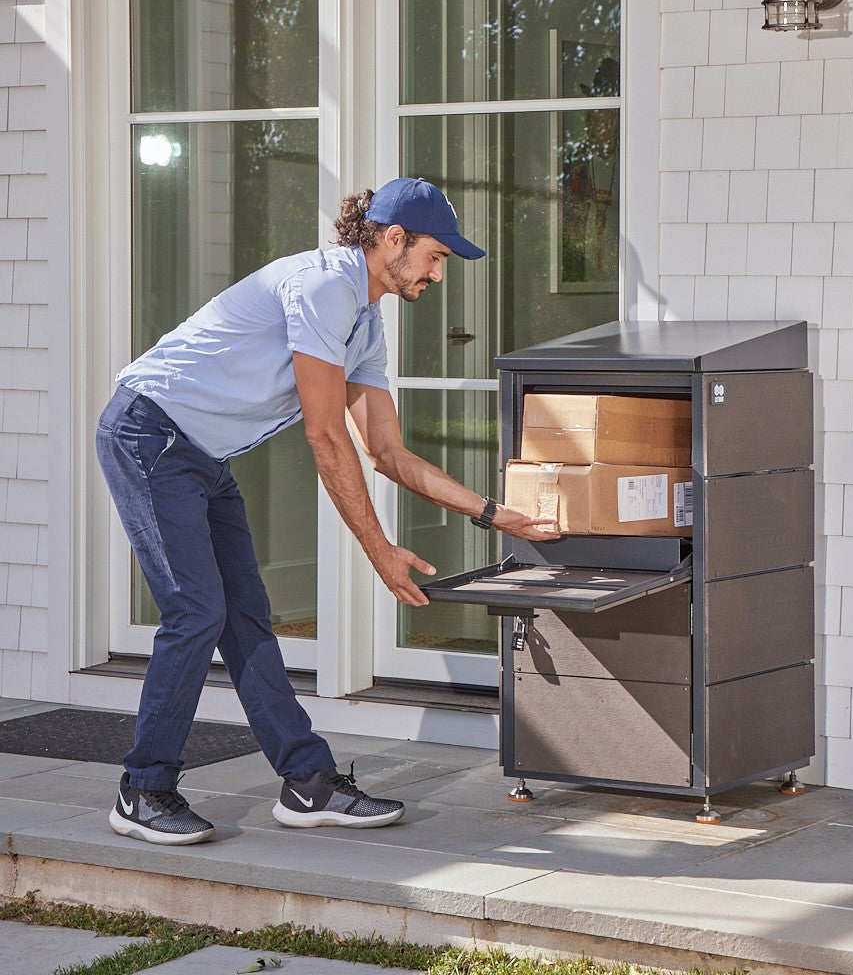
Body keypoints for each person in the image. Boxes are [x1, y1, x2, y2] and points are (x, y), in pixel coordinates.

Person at [95, 177, 557, 845]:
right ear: (392, 239)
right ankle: (142, 790)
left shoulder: (364, 323)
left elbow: (389, 453)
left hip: (201, 453)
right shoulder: (324, 287)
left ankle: (308, 783)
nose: (437, 273)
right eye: (434, 256)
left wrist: (495, 514)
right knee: (197, 611)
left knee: (245, 616)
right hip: (149, 433)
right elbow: (325, 435)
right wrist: (379, 550)